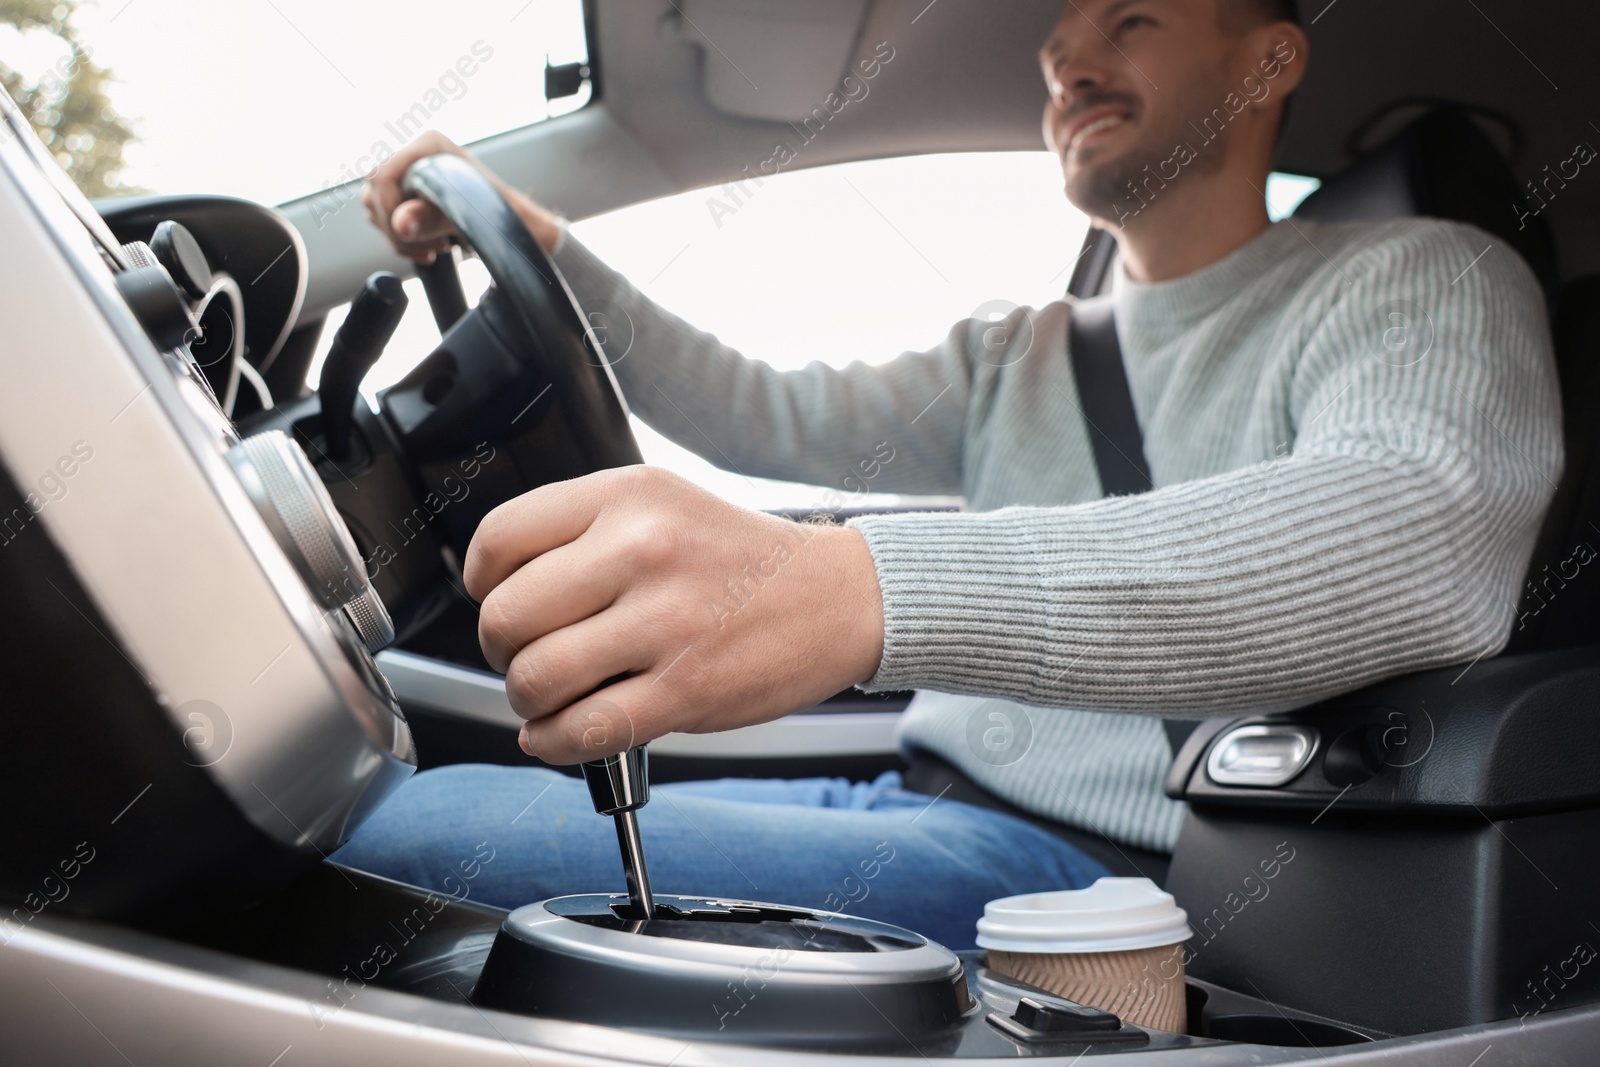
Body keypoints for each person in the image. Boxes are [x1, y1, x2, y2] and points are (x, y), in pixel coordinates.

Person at [332, 0, 1561, 951]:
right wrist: (544, 247)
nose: (1069, 59)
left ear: (1266, 63)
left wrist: (858, 590)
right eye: (1057, 41)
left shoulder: (1419, 275)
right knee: (411, 805)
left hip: (1107, 865)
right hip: (909, 800)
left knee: (388, 835)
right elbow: (749, 405)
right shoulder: (1015, 350)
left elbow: (1417, 531)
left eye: (1129, 17)